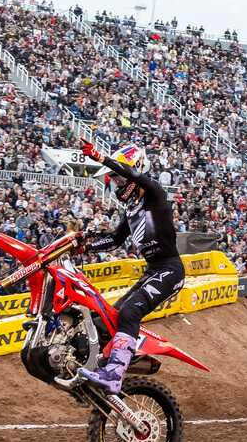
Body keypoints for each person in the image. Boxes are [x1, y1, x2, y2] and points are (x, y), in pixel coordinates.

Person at [76, 139, 184, 394]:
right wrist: (84, 248)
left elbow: (132, 173)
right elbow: (115, 239)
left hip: (170, 270)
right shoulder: (131, 208)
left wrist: (100, 157)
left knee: (129, 313)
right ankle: (100, 368)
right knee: (108, 318)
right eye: (112, 178)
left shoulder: (155, 193)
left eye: (117, 176)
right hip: (152, 271)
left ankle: (115, 373)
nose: (115, 182)